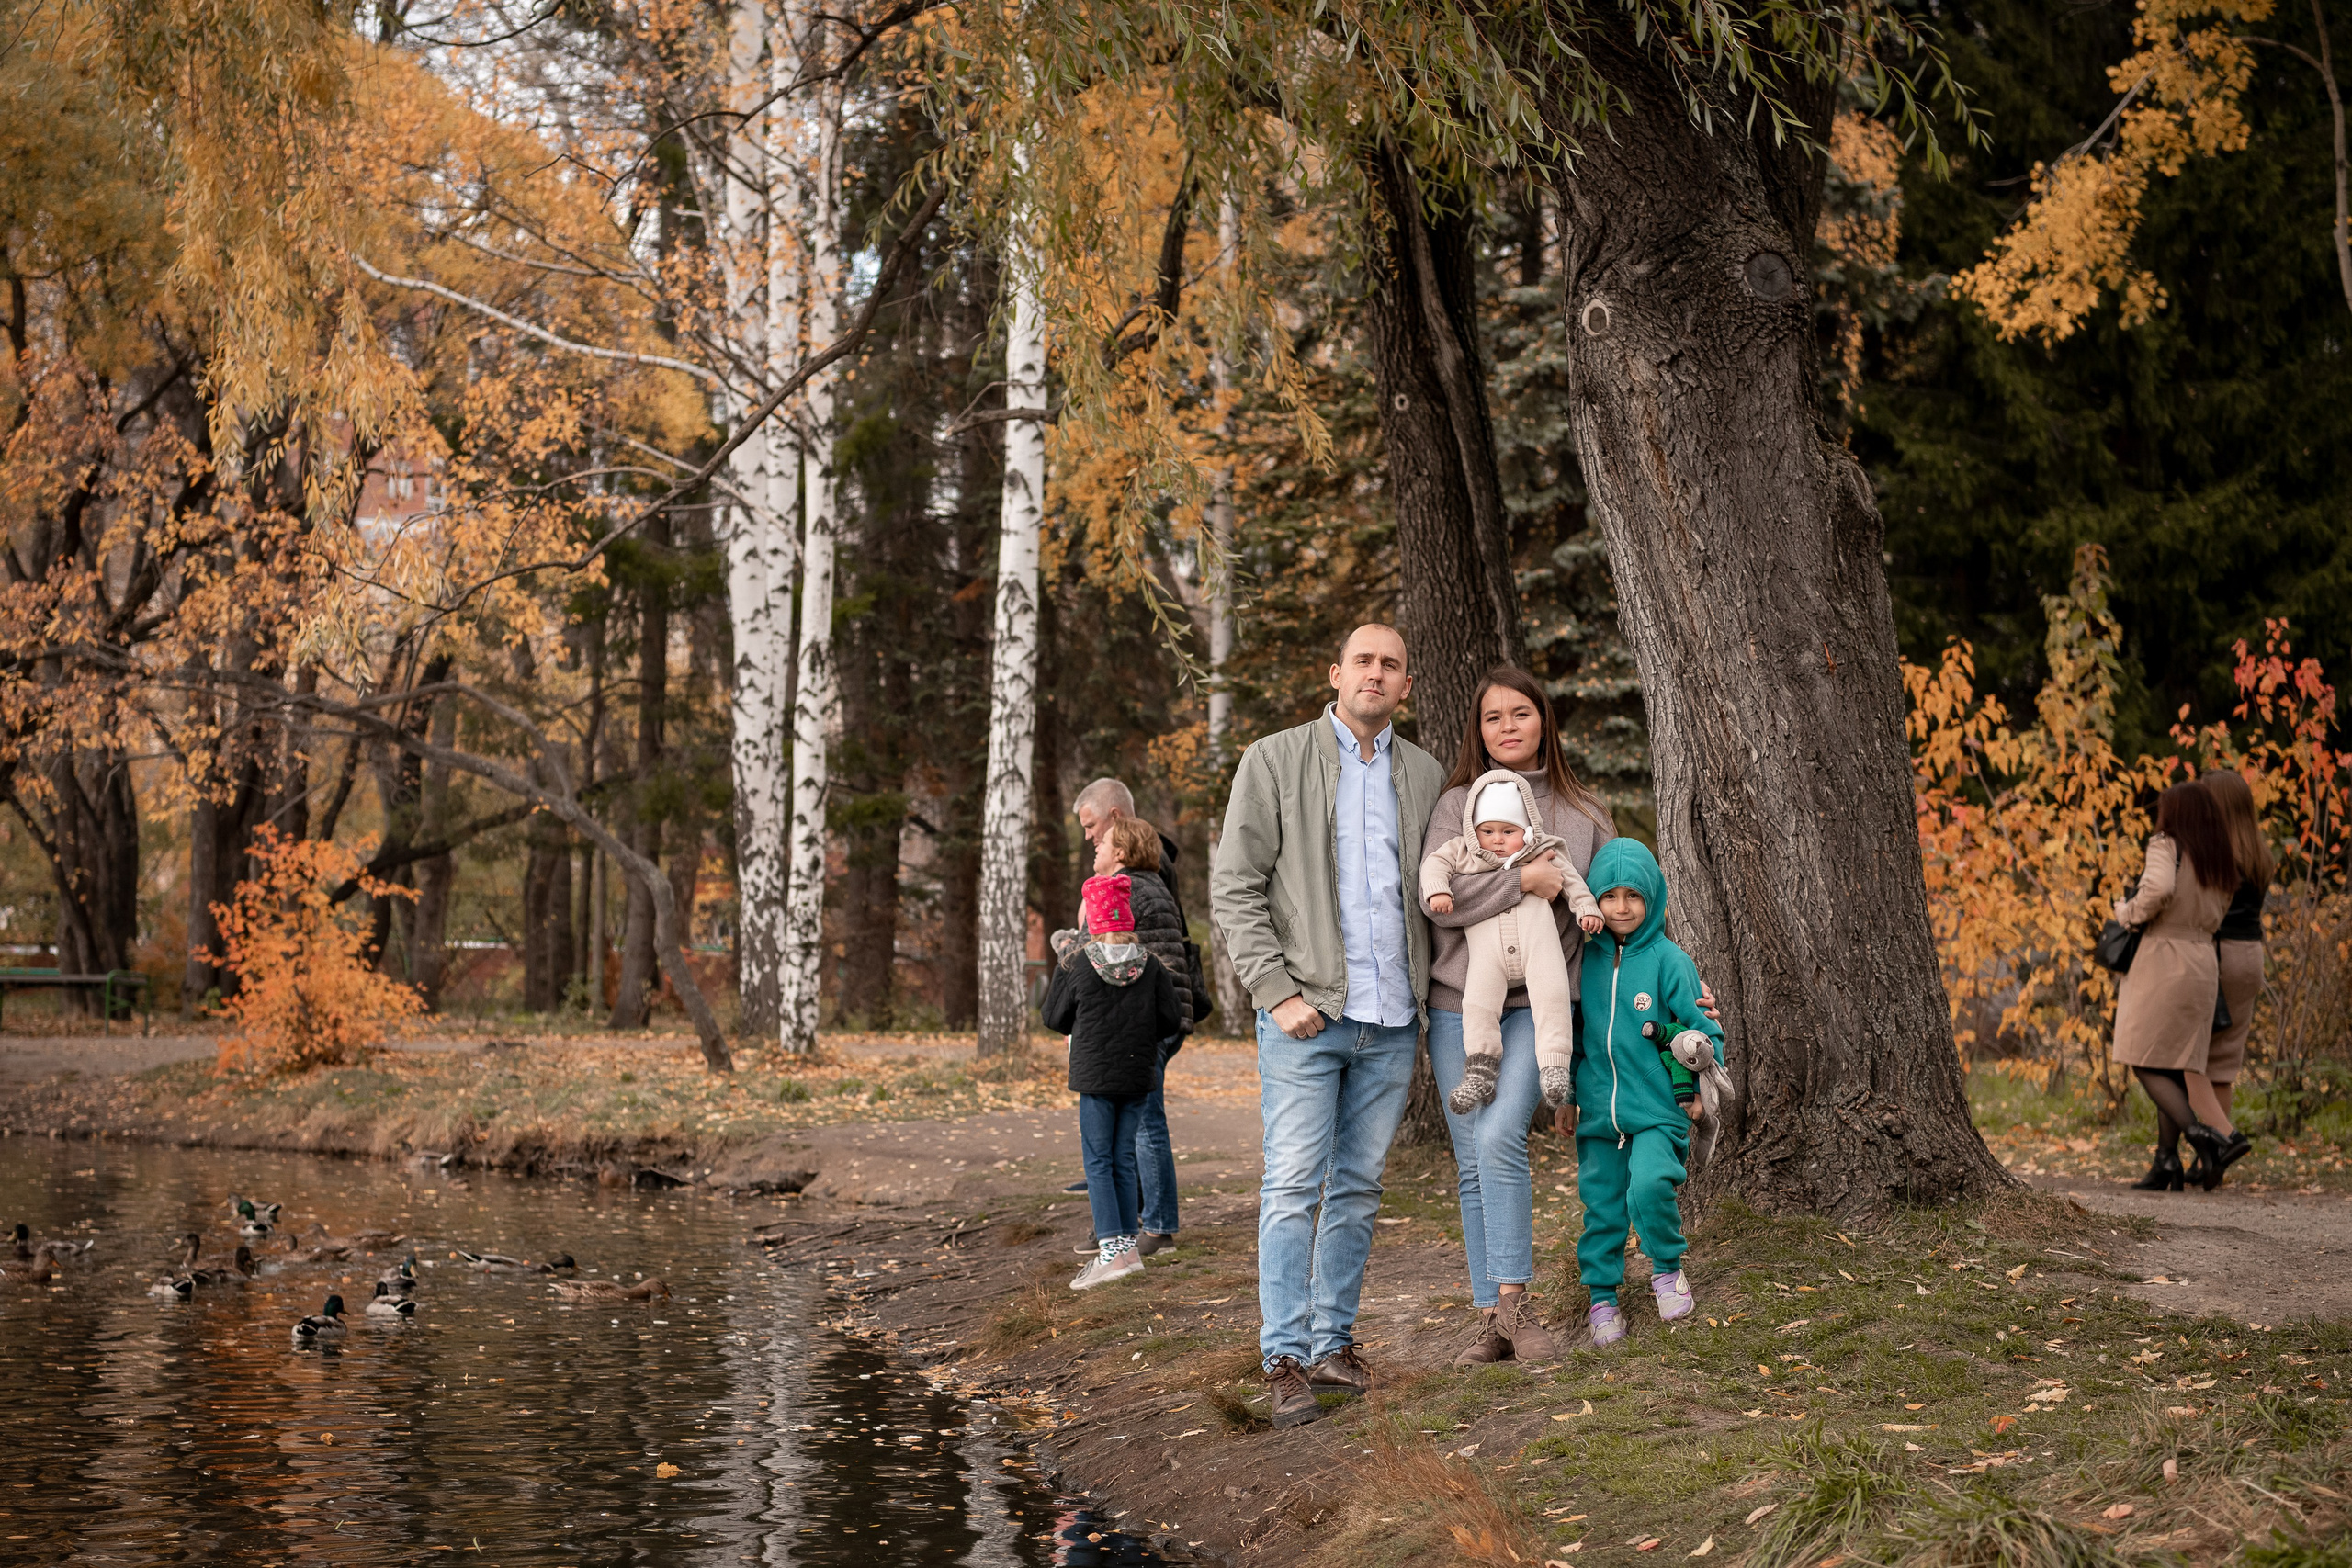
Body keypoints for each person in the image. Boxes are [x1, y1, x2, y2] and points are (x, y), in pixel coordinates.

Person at [1211, 623, 1445, 1426]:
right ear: (1336, 673)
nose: (1376, 674)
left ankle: (1332, 1345)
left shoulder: (1424, 773)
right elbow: (1235, 887)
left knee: (1358, 1187)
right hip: (1305, 1016)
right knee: (1290, 1187)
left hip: (1389, 1020)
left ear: (1405, 684)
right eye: (1364, 661)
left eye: (1392, 664)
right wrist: (1276, 992)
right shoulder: (1272, 760)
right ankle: (1282, 1356)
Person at [1420, 668, 1618, 1366]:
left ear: (1545, 720)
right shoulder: (1455, 806)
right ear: (1477, 730)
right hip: (1460, 1003)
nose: (1506, 726)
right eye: (1491, 717)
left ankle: (1518, 1306)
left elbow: (1610, 918)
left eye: (1520, 713)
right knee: (1473, 1157)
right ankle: (1495, 1322)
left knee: (1500, 1132)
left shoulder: (1582, 812)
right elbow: (1439, 900)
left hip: (1544, 1001)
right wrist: (1519, 881)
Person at [1572, 839, 1723, 1348]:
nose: (1620, 907)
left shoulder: (1669, 960)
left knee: (1651, 1183)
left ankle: (1666, 1268)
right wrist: (1569, 1093)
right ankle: (1601, 1297)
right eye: (1609, 896)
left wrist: (1701, 1084)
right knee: (1602, 1204)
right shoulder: (1582, 959)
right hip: (1598, 1112)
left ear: (1652, 897)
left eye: (1632, 896)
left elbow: (1701, 1032)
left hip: (1660, 1107)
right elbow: (1569, 1033)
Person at [1041, 851, 1183, 1291]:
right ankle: (1126, 1251)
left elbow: (1053, 1017)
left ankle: (1111, 1251)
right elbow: (1170, 1020)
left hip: (1095, 1079)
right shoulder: (1152, 966)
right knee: (1123, 1158)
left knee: (1098, 1161)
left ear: (1094, 921)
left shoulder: (1077, 965)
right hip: (1139, 1075)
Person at [1422, 772, 1601, 1114]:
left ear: (1527, 829)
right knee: (1477, 1004)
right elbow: (1434, 864)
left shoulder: (1543, 851)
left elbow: (1573, 883)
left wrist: (1586, 908)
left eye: (1508, 832)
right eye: (1487, 831)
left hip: (1540, 947)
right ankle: (1480, 1067)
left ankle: (1554, 1065)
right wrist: (1438, 889)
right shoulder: (1464, 852)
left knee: (1552, 995)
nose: (1497, 840)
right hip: (1487, 956)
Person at [1069, 780, 1197, 1252]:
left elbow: (1101, 951)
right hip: (1158, 1013)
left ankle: (1155, 1227)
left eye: (1095, 833)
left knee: (1144, 1124)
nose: (1091, 842)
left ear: (1117, 823)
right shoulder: (1152, 880)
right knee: (1139, 1124)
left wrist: (1074, 942)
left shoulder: (1129, 889)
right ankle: (1134, 1221)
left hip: (1143, 1017)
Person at [2113, 780, 2238, 1192]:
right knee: (2170, 1061)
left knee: (2141, 1055)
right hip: (2203, 958)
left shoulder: (2167, 844)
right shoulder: (2219, 854)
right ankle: (2167, 1161)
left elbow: (2159, 888)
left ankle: (2198, 1134)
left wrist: (2128, 913)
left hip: (2165, 957)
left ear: (2175, 813)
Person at [2185, 769, 2267, 1187]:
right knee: (2222, 1066)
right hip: (2251, 956)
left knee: (2189, 1060)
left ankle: (2226, 1138)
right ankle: (2210, 1166)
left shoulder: (2215, 854)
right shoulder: (2257, 852)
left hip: (2217, 958)